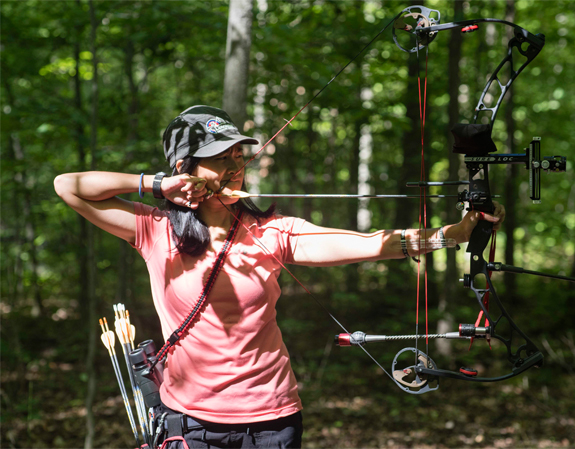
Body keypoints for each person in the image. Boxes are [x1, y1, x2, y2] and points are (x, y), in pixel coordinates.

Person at [54, 105, 505, 449]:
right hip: (188, 422)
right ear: (183, 167)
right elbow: (67, 186)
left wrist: (456, 233)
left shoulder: (274, 232)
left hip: (270, 422)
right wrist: (155, 186)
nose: (235, 168)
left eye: (238, 157)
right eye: (219, 160)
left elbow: (375, 242)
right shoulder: (153, 230)